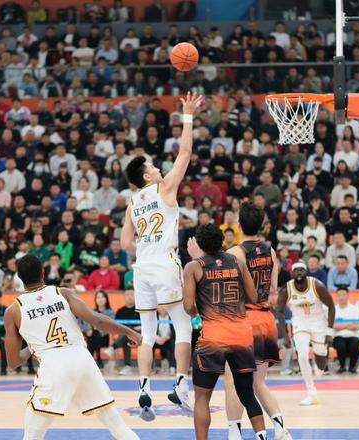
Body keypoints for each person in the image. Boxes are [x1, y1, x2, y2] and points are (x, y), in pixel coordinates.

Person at [121, 92, 203, 418]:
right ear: (147, 176)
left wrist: (147, 241)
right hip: (165, 263)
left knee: (147, 333)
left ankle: (143, 390)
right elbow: (185, 152)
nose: (157, 168)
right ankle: (181, 386)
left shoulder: (132, 202)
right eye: (153, 167)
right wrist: (188, 116)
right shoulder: (165, 187)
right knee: (183, 325)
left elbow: (125, 243)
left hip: (142, 266)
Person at [4, 254, 141, 440]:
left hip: (54, 366)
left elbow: (14, 362)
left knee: (32, 435)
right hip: (83, 359)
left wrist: (32, 346)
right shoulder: (63, 293)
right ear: (43, 272)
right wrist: (129, 332)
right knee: (116, 424)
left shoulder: (13, 311)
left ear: (19, 277)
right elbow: (97, 320)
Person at [189, 203, 290, 440]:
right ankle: (279, 427)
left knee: (233, 381)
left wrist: (198, 258)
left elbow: (217, 279)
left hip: (242, 320)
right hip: (267, 319)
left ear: (238, 224)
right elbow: (273, 288)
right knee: (258, 383)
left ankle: (234, 432)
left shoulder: (236, 253)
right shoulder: (270, 251)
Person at [183, 224, 268, 440]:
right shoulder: (238, 262)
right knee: (247, 394)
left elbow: (188, 307)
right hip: (241, 336)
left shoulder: (193, 267)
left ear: (200, 244)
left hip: (213, 338)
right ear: (222, 240)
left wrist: (202, 307)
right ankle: (262, 437)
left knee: (202, 398)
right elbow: (254, 298)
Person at [277, 261, 335, 406]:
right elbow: (280, 311)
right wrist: (286, 335)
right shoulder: (286, 289)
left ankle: (320, 365)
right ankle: (311, 392)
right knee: (302, 356)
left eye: (302, 270)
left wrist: (329, 331)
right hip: (300, 323)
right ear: (291, 273)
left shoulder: (317, 286)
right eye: (296, 270)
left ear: (306, 272)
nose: (299, 273)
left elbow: (331, 306)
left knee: (320, 365)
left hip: (318, 323)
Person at [110, 289, 141, 375]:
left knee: (128, 332)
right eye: (127, 295)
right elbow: (116, 327)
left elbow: (145, 324)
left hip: (139, 335)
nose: (130, 297)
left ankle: (113, 347)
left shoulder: (140, 310)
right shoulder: (120, 311)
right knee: (127, 336)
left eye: (132, 294)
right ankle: (127, 366)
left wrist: (133, 329)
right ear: (124, 297)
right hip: (125, 336)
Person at [332, 288, 359, 374]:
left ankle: (352, 367)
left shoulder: (355, 309)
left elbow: (358, 325)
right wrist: (348, 325)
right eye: (339, 295)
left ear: (348, 296)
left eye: (343, 295)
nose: (341, 297)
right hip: (338, 336)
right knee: (340, 345)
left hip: (353, 335)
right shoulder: (333, 309)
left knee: (355, 344)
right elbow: (333, 326)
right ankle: (342, 366)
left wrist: (341, 325)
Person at [87, 290, 116, 368]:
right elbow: (87, 322)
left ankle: (91, 359)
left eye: (102, 297)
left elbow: (110, 325)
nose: (100, 299)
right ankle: (98, 359)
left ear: (106, 299)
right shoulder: (92, 312)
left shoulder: (110, 313)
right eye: (98, 297)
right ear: (95, 300)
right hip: (93, 337)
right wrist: (88, 329)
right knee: (93, 333)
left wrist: (97, 327)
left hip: (105, 337)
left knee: (95, 332)